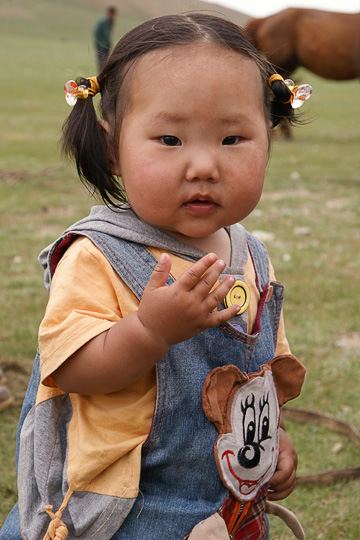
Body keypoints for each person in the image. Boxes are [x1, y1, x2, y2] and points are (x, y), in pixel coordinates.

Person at [0, 13, 311, 540]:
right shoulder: (97, 255)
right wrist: (150, 331)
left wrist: (270, 437)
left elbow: (256, 374)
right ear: (111, 146)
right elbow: (70, 368)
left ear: (269, 138)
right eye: (169, 139)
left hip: (227, 504)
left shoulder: (251, 255)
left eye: (233, 138)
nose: (203, 166)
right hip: (124, 513)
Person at [93, 6, 116, 71]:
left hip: (106, 45)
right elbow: (97, 33)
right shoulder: (104, 21)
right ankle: (101, 77)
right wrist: (102, 43)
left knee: (106, 62)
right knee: (102, 62)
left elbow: (108, 35)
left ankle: (104, 76)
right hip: (101, 45)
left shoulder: (111, 21)